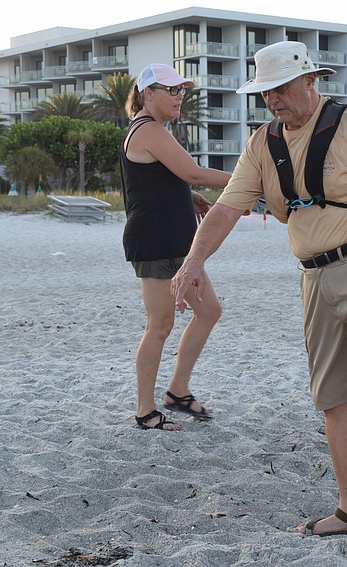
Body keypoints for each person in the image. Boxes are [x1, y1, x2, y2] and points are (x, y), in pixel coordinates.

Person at [171, 41, 347, 556]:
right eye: (266, 92)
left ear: (311, 82)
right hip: (314, 276)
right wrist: (192, 262)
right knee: (333, 397)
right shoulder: (262, 143)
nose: (274, 100)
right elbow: (225, 209)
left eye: (282, 89)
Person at [121, 63, 231, 431]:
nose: (179, 96)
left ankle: (178, 391)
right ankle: (145, 410)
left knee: (209, 311)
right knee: (160, 325)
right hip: (156, 241)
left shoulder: (154, 130)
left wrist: (191, 198)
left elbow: (159, 181)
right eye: (171, 90)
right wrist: (253, 182)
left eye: (181, 90)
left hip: (173, 239)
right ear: (147, 93)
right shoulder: (148, 129)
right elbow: (193, 171)